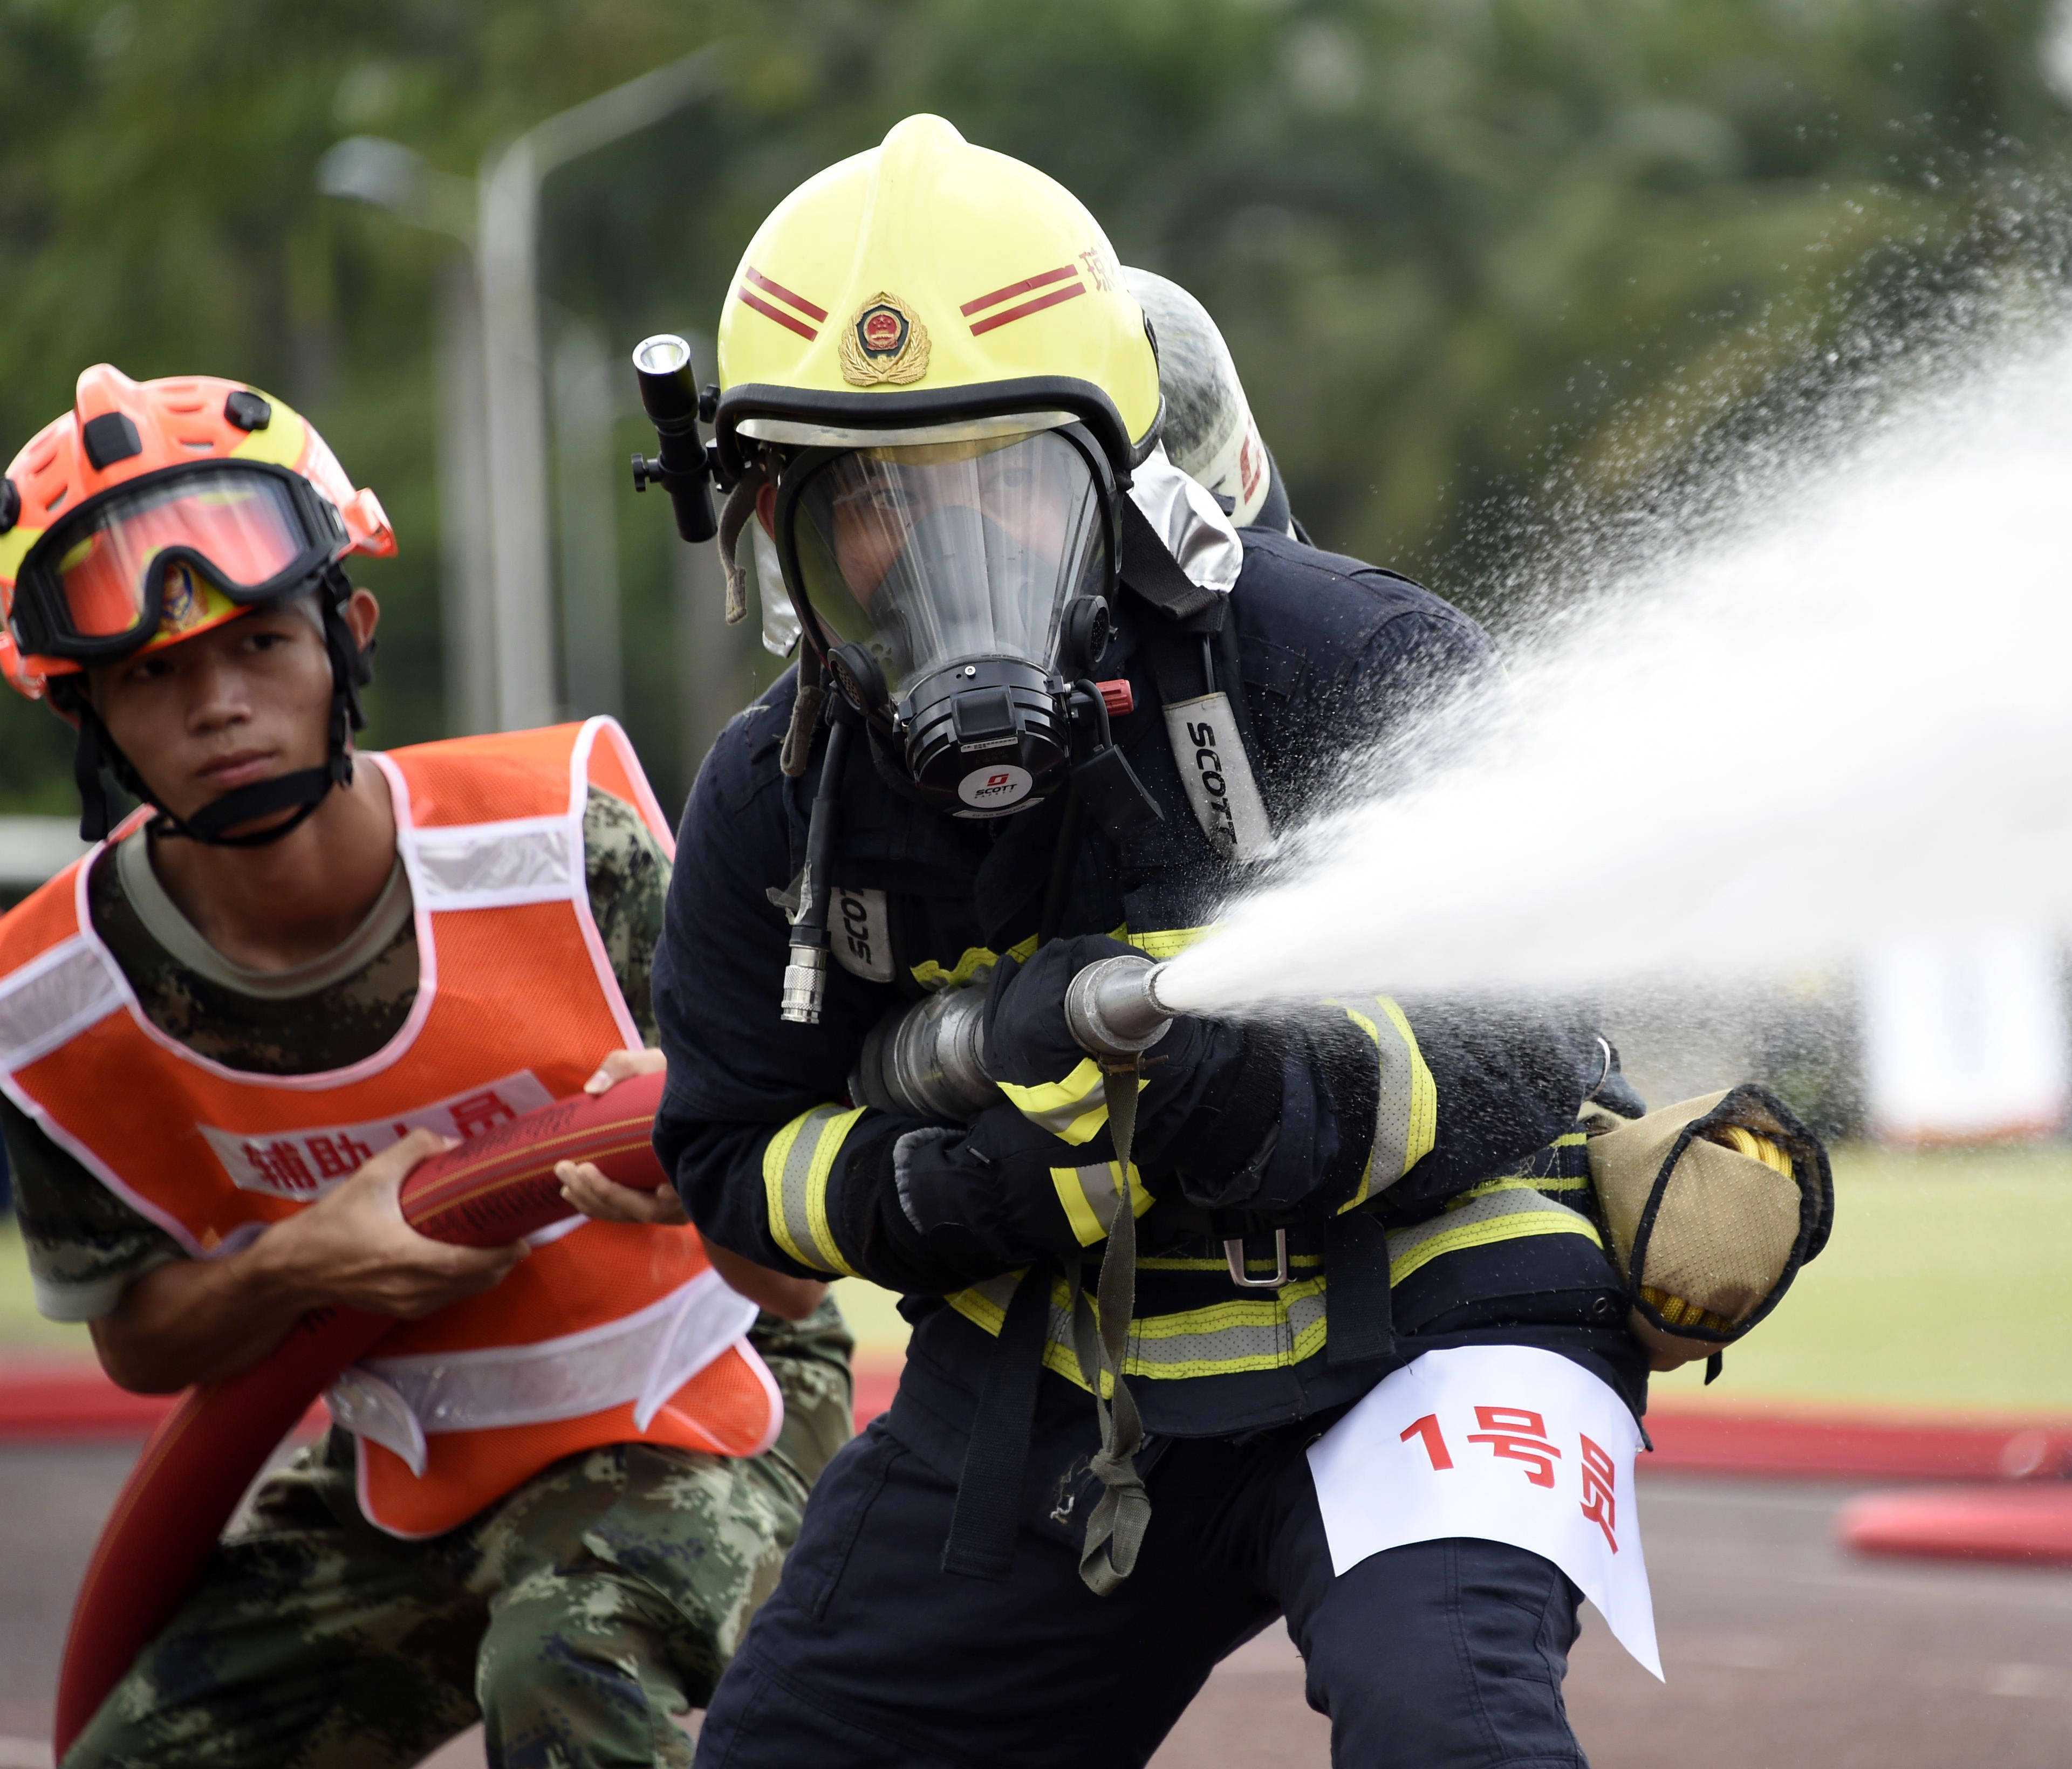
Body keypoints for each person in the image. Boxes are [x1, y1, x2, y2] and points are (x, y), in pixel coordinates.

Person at [653, 116, 1646, 1768]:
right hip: (1054, 1377)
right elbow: (729, 1160)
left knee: (1444, 1727)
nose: (942, 549)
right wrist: (942, 1190)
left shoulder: (1343, 660)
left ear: (1116, 481)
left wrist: (1272, 1102)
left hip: (1434, 1328)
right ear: (774, 521)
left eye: (1001, 481)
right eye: (869, 499)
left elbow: (1536, 1029)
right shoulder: (774, 798)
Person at [0, 366, 854, 1767]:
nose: (220, 705)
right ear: (81, 711)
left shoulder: (563, 845)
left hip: (704, 1386)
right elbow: (140, 1341)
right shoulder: (55, 1000)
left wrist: (703, 1178)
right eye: (154, 673)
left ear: (347, 634)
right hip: (408, 1461)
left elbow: (797, 1269)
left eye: (260, 643)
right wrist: (301, 1264)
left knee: (566, 1668)